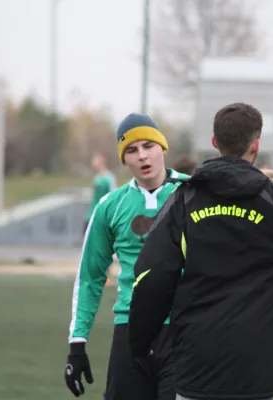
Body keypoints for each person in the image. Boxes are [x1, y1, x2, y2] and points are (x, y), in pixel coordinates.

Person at [128, 103, 273, 400]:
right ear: (256, 145)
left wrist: (139, 343)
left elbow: (151, 278)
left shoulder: (183, 200)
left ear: (215, 143)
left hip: (197, 366)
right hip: (260, 369)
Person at [65, 113, 190, 400]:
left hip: (183, 330)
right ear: (124, 159)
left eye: (148, 146)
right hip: (130, 331)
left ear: (163, 149)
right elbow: (90, 277)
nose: (142, 156)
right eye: (132, 150)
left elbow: (236, 251)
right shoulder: (110, 206)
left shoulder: (194, 192)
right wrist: (77, 342)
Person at [84, 152, 117, 235]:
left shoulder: (109, 178)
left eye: (95, 161)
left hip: (102, 216)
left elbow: (114, 196)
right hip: (92, 214)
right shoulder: (96, 177)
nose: (93, 164)